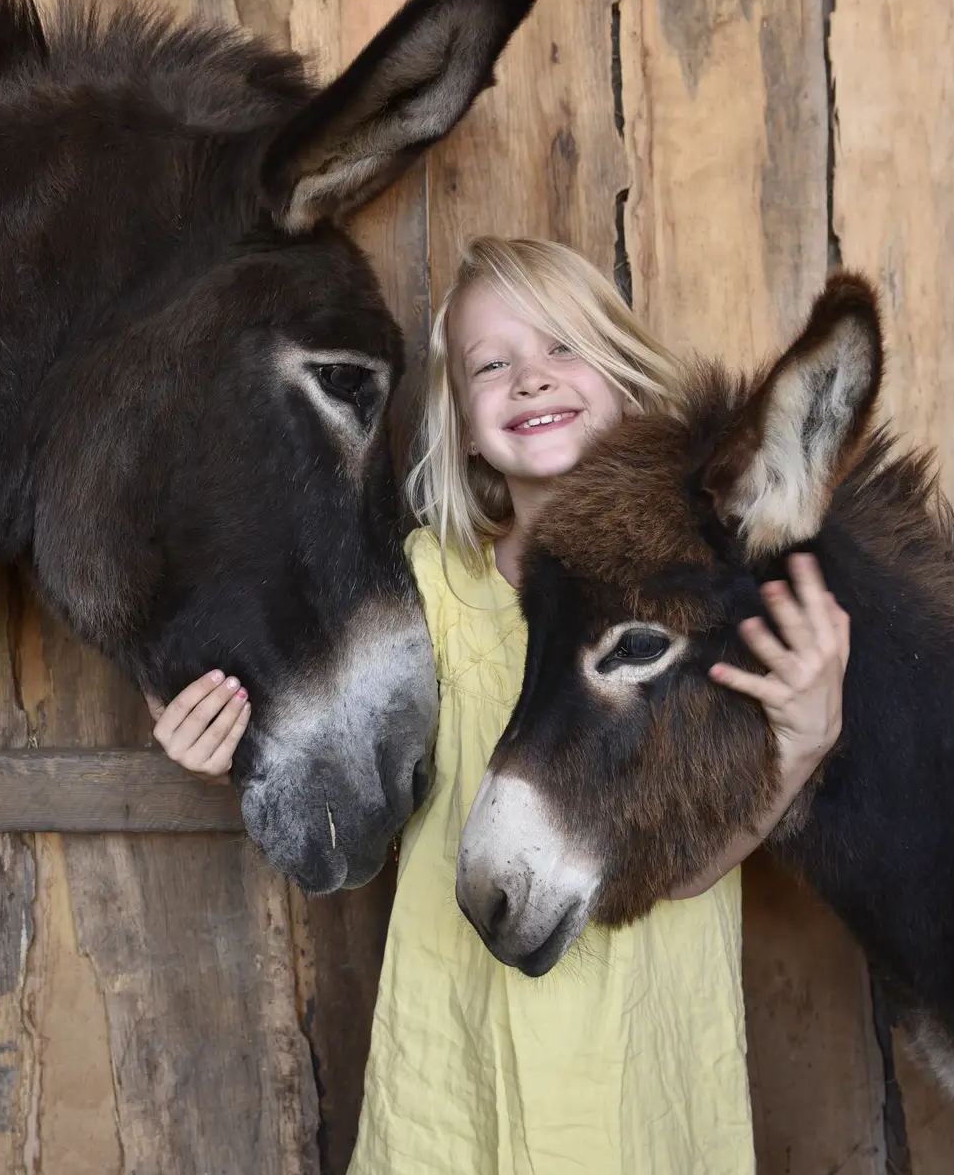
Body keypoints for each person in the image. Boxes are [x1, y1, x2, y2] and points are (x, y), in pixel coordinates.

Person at [147, 237, 849, 1172]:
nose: (530, 378)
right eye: (491, 364)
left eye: (563, 347)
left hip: (635, 1059)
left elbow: (688, 871)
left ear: (628, 386)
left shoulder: (689, 608)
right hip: (458, 1047)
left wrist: (805, 739)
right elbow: (319, 738)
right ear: (465, 428)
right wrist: (217, 728)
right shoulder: (424, 593)